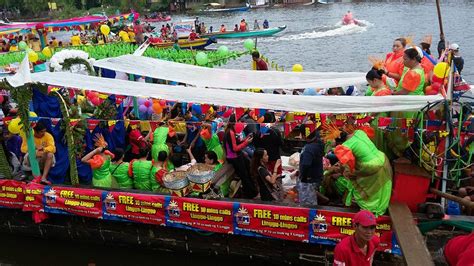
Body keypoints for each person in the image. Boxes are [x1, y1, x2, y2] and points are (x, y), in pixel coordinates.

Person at [334, 129, 392, 216]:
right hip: (382, 159)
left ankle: (371, 208)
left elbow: (348, 166)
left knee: (353, 179)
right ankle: (380, 206)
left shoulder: (344, 147)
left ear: (340, 142)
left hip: (371, 166)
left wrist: (341, 171)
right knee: (381, 185)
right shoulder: (358, 132)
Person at [223, 114, 256, 198]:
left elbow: (237, 143)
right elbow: (235, 148)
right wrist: (246, 143)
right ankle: (250, 194)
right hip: (234, 157)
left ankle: (252, 190)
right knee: (244, 176)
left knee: (247, 171)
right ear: (235, 122)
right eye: (240, 121)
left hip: (237, 155)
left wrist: (245, 139)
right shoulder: (230, 132)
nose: (241, 123)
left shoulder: (232, 131)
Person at [297, 131, 324, 206]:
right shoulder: (318, 144)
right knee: (312, 199)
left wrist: (303, 177)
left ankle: (309, 217)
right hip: (316, 177)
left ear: (303, 135)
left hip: (309, 180)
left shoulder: (309, 148)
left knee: (308, 204)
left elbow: (306, 164)